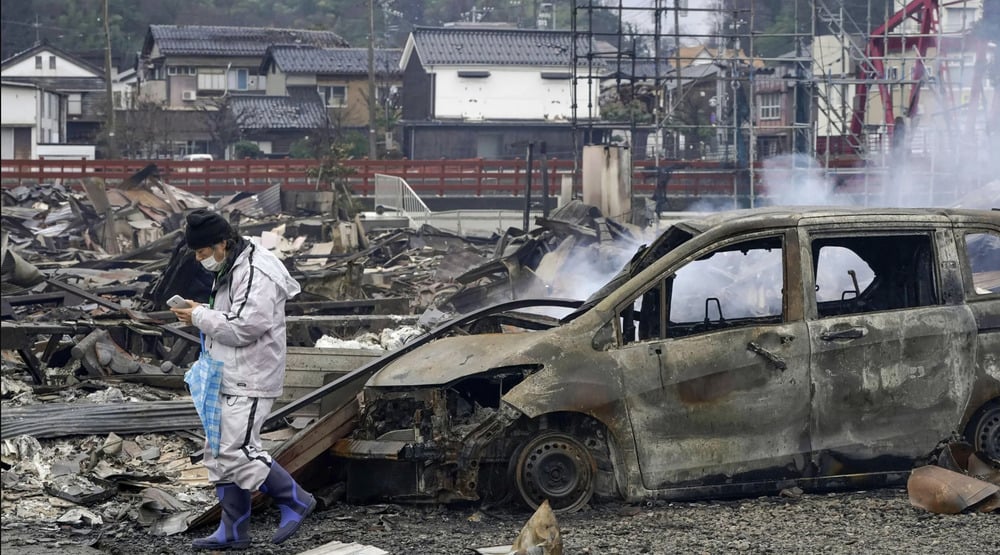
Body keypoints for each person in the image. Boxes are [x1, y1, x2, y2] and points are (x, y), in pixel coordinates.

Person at [171, 208, 312, 550]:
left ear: (221, 243)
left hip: (251, 374)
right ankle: (233, 530)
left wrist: (199, 316)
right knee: (217, 452)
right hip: (229, 372)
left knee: (237, 450)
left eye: (203, 253)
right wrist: (198, 313)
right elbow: (233, 316)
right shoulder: (233, 265)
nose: (201, 260)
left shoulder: (257, 269)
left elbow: (245, 327)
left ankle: (294, 499)